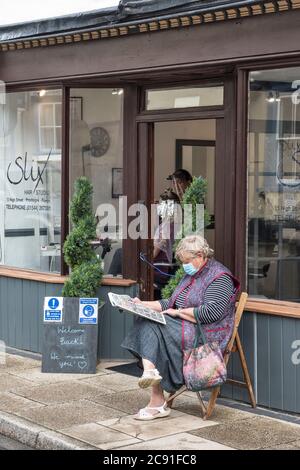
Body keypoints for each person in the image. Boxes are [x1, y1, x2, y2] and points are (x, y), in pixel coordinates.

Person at [121, 234, 240, 421]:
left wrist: (177, 313)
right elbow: (171, 302)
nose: (185, 265)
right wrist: (141, 304)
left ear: (200, 255)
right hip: (186, 327)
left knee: (153, 327)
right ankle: (151, 375)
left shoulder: (220, 277)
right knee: (145, 321)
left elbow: (210, 314)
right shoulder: (192, 273)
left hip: (206, 335)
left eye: (187, 260)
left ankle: (157, 398)